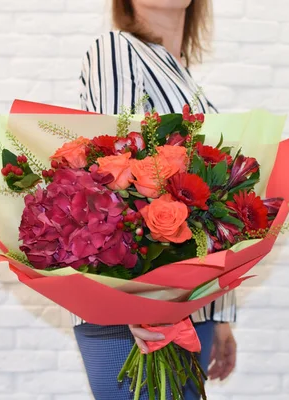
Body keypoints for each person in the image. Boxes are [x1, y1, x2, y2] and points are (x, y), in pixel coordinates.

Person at [73, 1, 237, 398]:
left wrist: (220, 315)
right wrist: (137, 305)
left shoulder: (181, 74)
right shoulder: (118, 49)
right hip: (132, 309)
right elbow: (111, 171)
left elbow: (204, 207)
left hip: (186, 307)